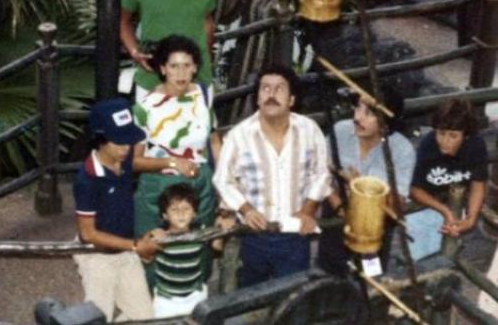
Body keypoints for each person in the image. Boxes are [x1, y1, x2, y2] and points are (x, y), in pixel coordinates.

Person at [213, 64, 331, 287]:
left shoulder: (309, 130)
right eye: (265, 89)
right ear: (257, 98)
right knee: (251, 296)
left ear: (292, 99)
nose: (271, 94)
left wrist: (308, 210)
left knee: (292, 296)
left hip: (295, 233)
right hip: (254, 234)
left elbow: (322, 173)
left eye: (279, 89)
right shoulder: (239, 136)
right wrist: (245, 209)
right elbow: (222, 179)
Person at [73, 98, 161, 322]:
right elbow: (88, 234)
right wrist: (136, 246)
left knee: (144, 317)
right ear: (100, 140)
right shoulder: (88, 179)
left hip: (127, 250)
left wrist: (171, 163)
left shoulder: (124, 156)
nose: (127, 148)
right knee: (98, 317)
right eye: (119, 142)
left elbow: (137, 163)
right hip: (97, 258)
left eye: (129, 141)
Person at [132, 35, 221, 240]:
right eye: (174, 66)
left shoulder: (203, 96)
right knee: (157, 254)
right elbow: (134, 162)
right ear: (163, 69)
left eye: (186, 65)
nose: (181, 73)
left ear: (195, 68)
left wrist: (224, 186)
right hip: (159, 189)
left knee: (199, 249)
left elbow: (215, 141)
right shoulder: (145, 108)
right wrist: (172, 162)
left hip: (199, 186)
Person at [319, 88, 416, 274]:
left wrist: (362, 188)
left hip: (374, 227)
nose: (357, 117)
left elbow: (398, 206)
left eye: (369, 113)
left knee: (370, 276)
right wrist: (338, 205)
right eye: (357, 108)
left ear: (386, 124)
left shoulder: (402, 150)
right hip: (335, 217)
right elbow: (319, 172)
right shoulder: (340, 131)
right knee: (329, 274)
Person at [120, 0, 219, 101]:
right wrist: (134, 51)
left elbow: (206, 19)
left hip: (198, 80)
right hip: (152, 80)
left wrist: (203, 58)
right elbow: (123, 22)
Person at [149, 182, 235, 318]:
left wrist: (222, 228)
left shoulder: (200, 232)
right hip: (167, 299)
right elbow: (145, 254)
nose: (181, 214)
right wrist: (151, 235)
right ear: (165, 215)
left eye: (186, 209)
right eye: (174, 210)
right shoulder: (162, 236)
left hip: (194, 295)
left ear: (194, 213)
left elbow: (217, 246)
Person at [410, 99, 487, 237]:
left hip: (458, 201)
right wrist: (444, 210)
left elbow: (478, 184)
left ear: (466, 136)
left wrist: (471, 219)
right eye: (441, 133)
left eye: (453, 136)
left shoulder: (476, 145)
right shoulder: (428, 145)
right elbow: (414, 189)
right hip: (428, 203)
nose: (445, 141)